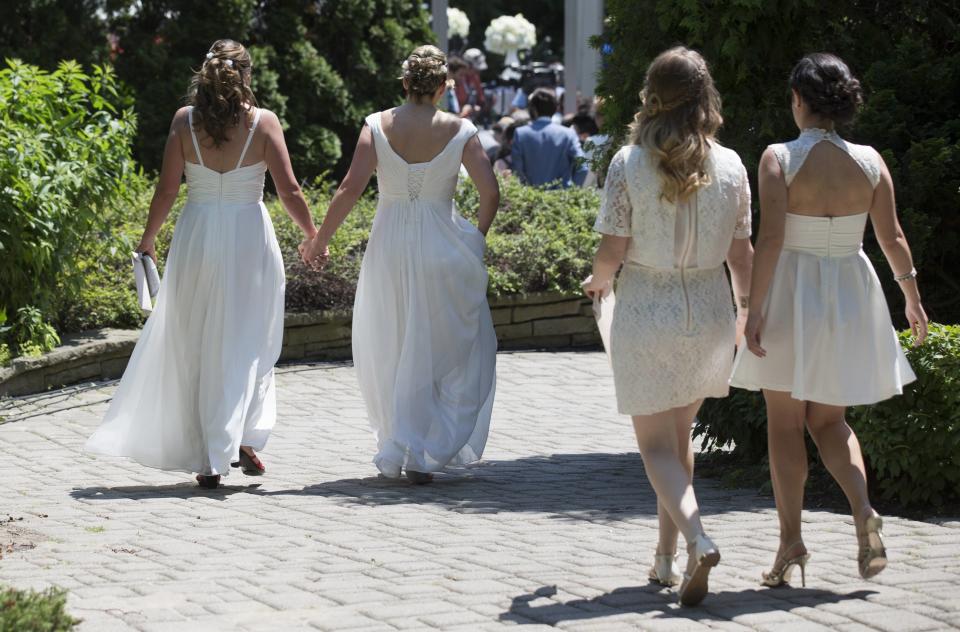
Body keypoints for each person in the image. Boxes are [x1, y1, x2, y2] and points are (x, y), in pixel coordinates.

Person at [731, 53, 927, 586]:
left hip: (793, 289)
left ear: (799, 99)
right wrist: (911, 296)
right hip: (849, 290)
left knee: (785, 424)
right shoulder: (869, 160)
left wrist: (752, 308)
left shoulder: (779, 157)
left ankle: (791, 542)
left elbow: (769, 240)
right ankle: (863, 509)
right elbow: (893, 238)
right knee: (829, 421)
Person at [85, 39, 318, 488]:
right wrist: (312, 235)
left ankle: (211, 456)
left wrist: (148, 239)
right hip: (249, 236)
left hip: (197, 235)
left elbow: (167, 191)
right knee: (247, 338)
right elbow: (289, 191)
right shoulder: (263, 123)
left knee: (197, 338)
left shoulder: (183, 121)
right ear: (246, 75)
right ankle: (236, 438)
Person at [583, 47, 754, 606]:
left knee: (656, 448)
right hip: (707, 310)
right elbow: (742, 253)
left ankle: (698, 538)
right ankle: (665, 558)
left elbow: (613, 248)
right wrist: (748, 310)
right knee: (678, 443)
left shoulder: (628, 163)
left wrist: (597, 281)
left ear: (650, 95)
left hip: (647, 309)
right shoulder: (730, 166)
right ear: (706, 98)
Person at [301, 45, 499, 484]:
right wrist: (475, 239)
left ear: (405, 83)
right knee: (435, 342)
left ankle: (401, 440)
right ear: (444, 86)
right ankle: (423, 447)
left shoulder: (377, 125)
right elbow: (491, 193)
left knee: (393, 340)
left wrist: (320, 240)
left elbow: (350, 189)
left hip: (388, 243)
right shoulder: (461, 129)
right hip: (442, 243)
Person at [511, 88, 588, 188]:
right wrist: (573, 191)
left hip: (530, 199)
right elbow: (583, 168)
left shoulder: (521, 134)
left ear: (533, 109)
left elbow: (517, 172)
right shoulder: (568, 134)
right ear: (555, 108)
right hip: (562, 199)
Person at [449, 56, 485, 120]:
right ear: (451, 73)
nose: (462, 78)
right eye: (460, 74)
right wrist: (466, 111)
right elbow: (451, 118)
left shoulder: (453, 88)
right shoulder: (445, 91)